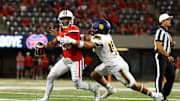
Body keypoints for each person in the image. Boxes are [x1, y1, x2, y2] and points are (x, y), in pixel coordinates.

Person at [60, 19, 163, 101]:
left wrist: (72, 41)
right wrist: (75, 36)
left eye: (94, 29)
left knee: (132, 85)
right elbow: (88, 37)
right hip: (108, 64)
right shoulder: (103, 36)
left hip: (117, 66)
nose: (93, 30)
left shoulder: (101, 38)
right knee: (95, 74)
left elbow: (87, 45)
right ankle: (110, 89)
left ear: (99, 30)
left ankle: (154, 95)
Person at [37, 10, 99, 101]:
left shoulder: (74, 29)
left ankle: (94, 88)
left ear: (71, 20)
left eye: (67, 18)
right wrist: (45, 45)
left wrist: (57, 36)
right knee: (50, 76)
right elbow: (56, 42)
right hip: (66, 59)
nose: (65, 20)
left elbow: (69, 46)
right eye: (63, 19)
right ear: (60, 20)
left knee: (77, 85)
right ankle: (45, 98)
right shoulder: (60, 29)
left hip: (75, 60)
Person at [154, 13, 176, 101]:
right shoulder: (160, 31)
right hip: (161, 56)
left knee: (171, 76)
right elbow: (159, 46)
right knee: (160, 75)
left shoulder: (168, 34)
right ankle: (159, 96)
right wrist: (168, 55)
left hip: (166, 57)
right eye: (168, 20)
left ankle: (164, 95)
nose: (170, 21)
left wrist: (171, 44)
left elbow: (168, 44)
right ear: (163, 21)